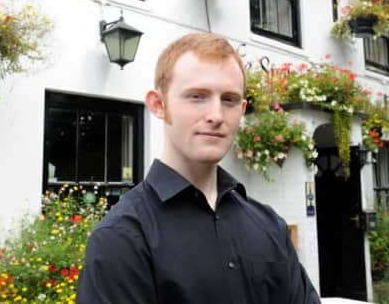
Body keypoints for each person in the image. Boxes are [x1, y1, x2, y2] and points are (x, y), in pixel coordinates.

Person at [76, 33, 321, 304]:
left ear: (241, 110)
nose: (216, 115)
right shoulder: (121, 239)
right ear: (159, 105)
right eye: (197, 96)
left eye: (228, 100)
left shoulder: (269, 225)